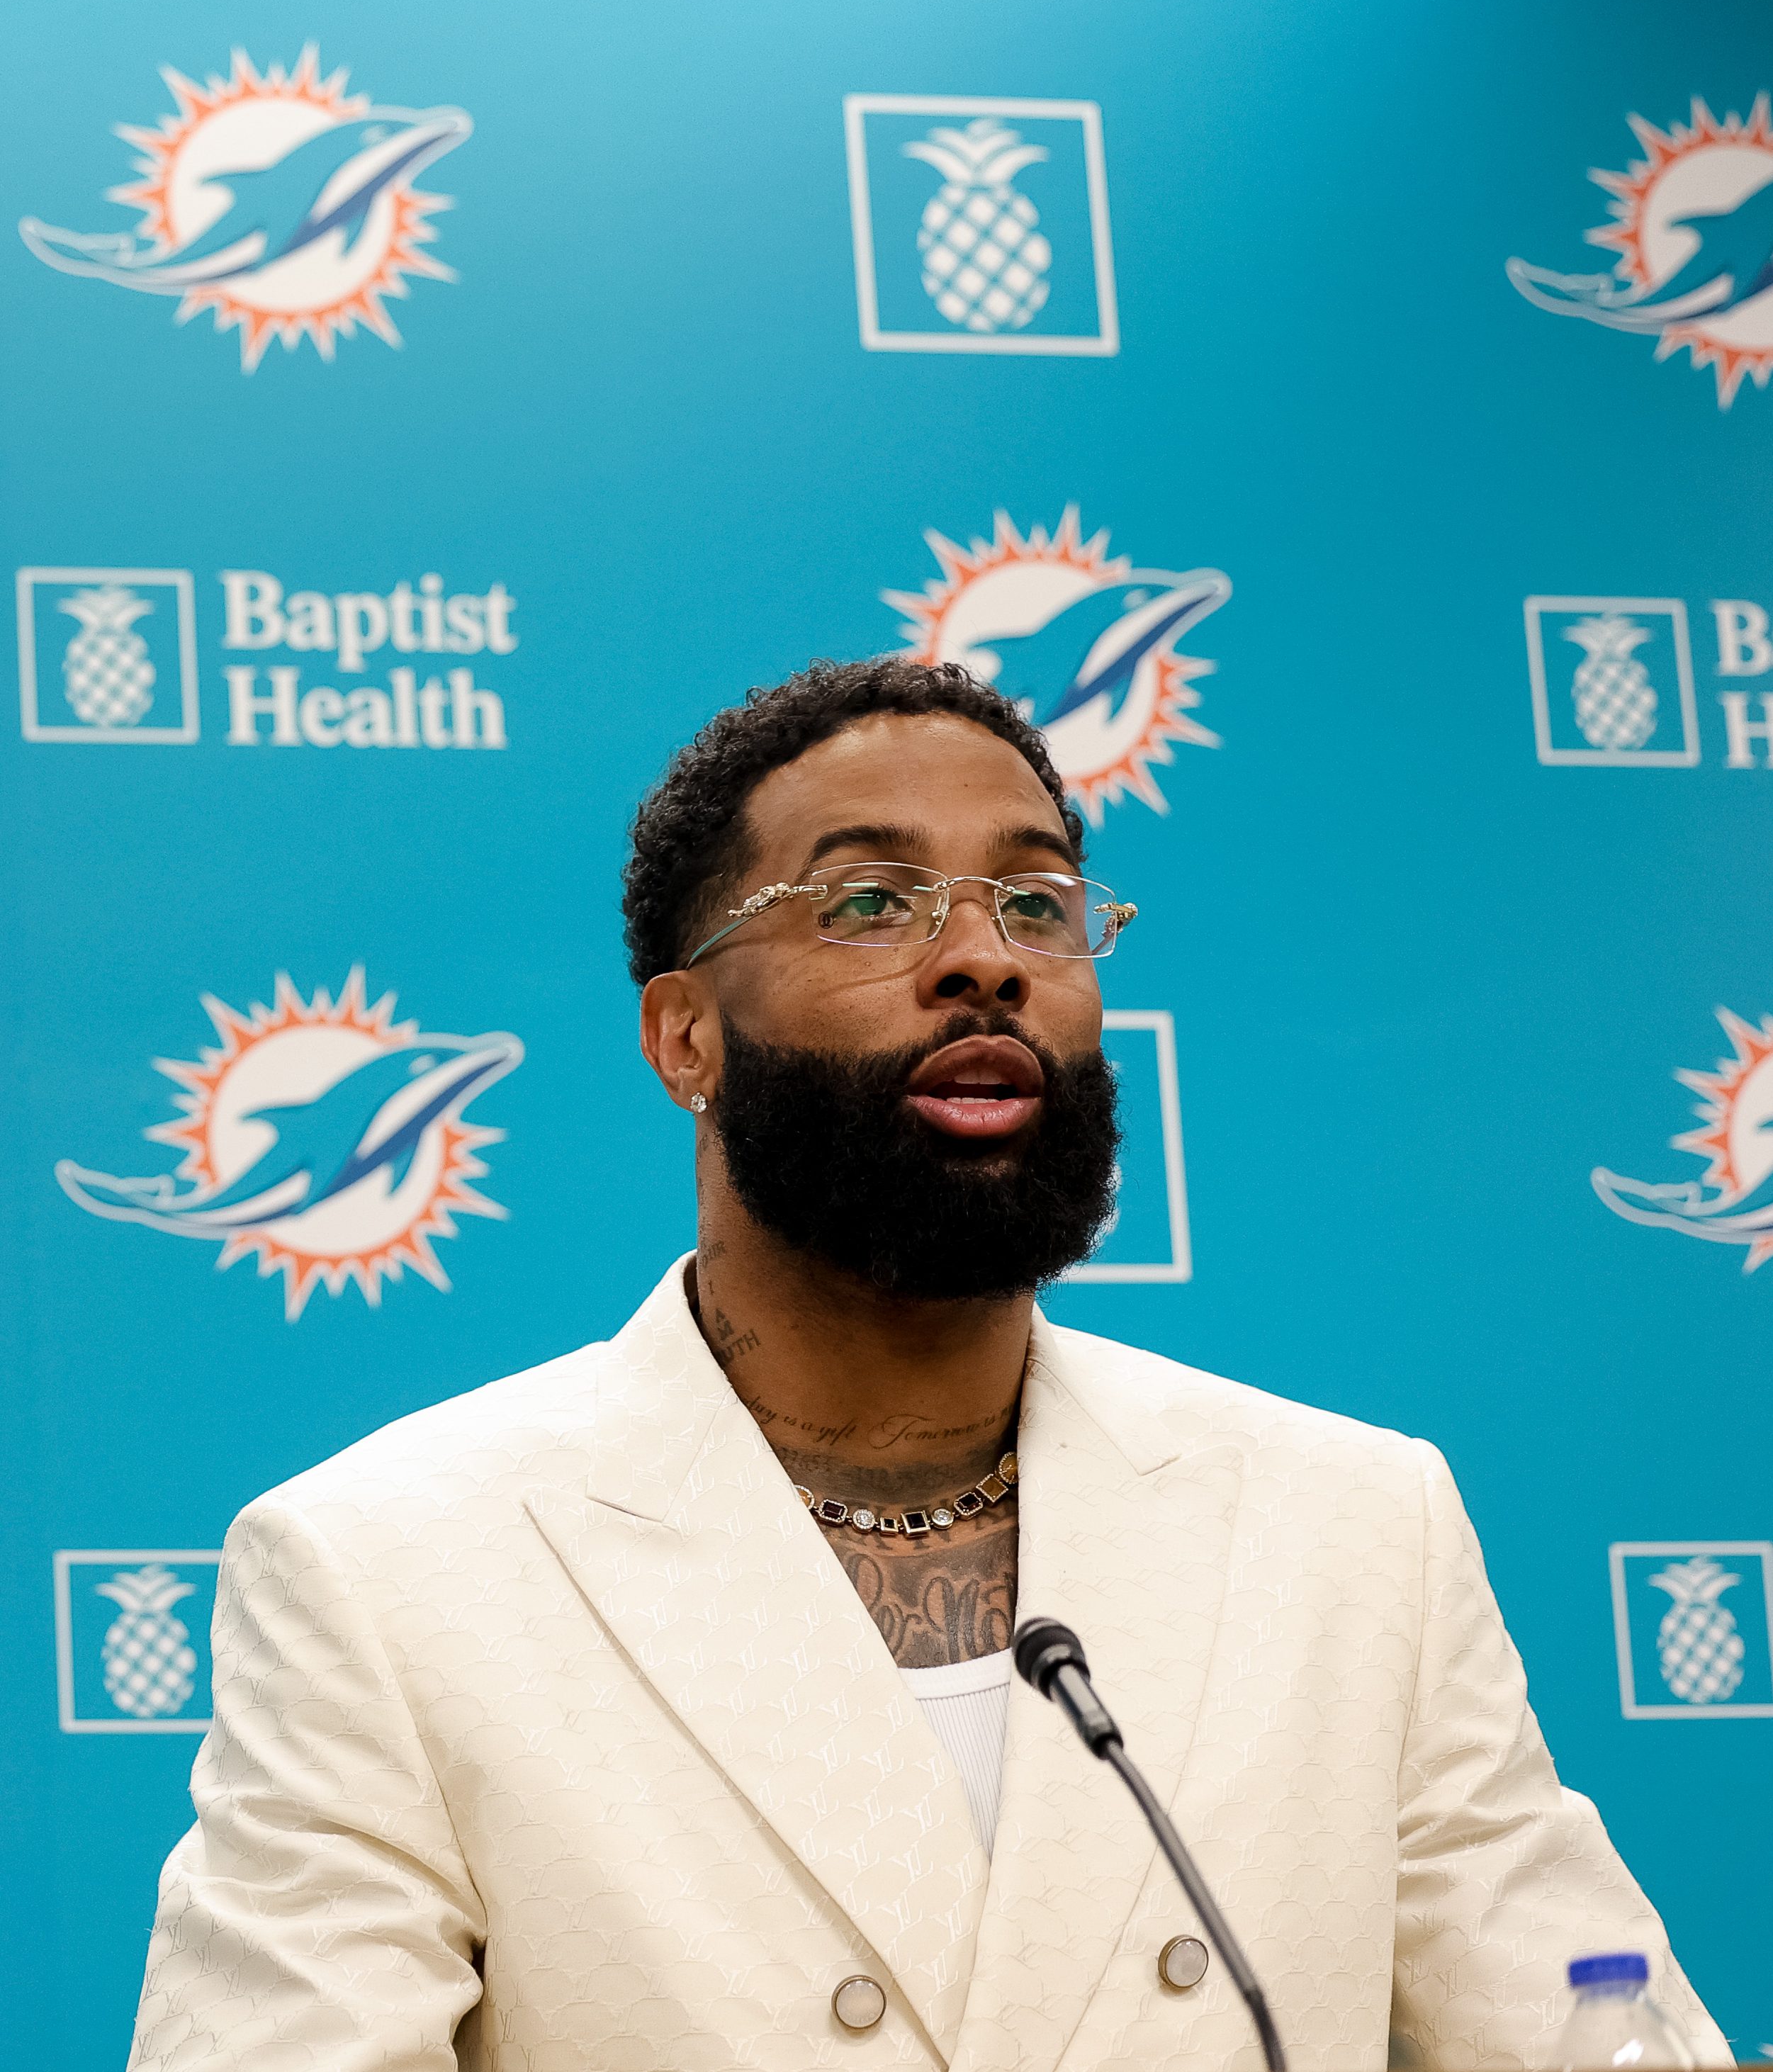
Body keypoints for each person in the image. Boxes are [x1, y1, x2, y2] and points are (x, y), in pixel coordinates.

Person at [129, 658, 1728, 2072]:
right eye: (873, 903)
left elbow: (1589, 2027)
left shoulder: (1354, 1522)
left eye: (1039, 903)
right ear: (684, 1038)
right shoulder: (390, 1569)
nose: (987, 960)